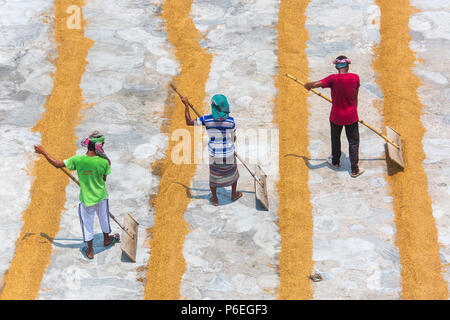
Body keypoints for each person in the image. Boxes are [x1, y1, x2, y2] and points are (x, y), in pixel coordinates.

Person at [34, 131, 119, 259]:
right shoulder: (104, 162)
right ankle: (107, 239)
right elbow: (104, 179)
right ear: (100, 146)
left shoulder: (78, 160)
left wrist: (43, 152)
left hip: (87, 199)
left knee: (87, 224)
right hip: (101, 197)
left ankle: (90, 252)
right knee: (104, 218)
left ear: (88, 145)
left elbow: (57, 164)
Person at [304, 55, 365, 178]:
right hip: (352, 116)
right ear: (347, 66)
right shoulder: (355, 78)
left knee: (335, 139)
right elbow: (355, 97)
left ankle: (335, 162)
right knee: (353, 142)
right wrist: (354, 112)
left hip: (336, 116)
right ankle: (354, 170)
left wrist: (308, 85)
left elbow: (316, 84)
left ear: (337, 67)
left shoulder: (332, 79)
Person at [180, 94, 242, 206]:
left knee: (214, 177)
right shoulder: (231, 121)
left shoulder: (206, 119)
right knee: (233, 174)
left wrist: (186, 105)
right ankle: (233, 194)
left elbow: (189, 122)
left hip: (215, 155)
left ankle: (215, 199)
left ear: (213, 106)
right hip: (229, 153)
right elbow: (233, 138)